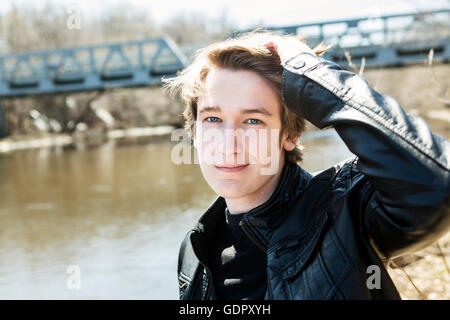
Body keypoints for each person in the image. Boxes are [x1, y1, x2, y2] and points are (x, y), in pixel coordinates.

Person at [163, 32, 450, 300]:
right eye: (213, 119)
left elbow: (436, 186)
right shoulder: (194, 249)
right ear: (194, 131)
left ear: (290, 135)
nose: (228, 144)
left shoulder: (344, 210)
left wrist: (309, 72)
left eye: (253, 120)